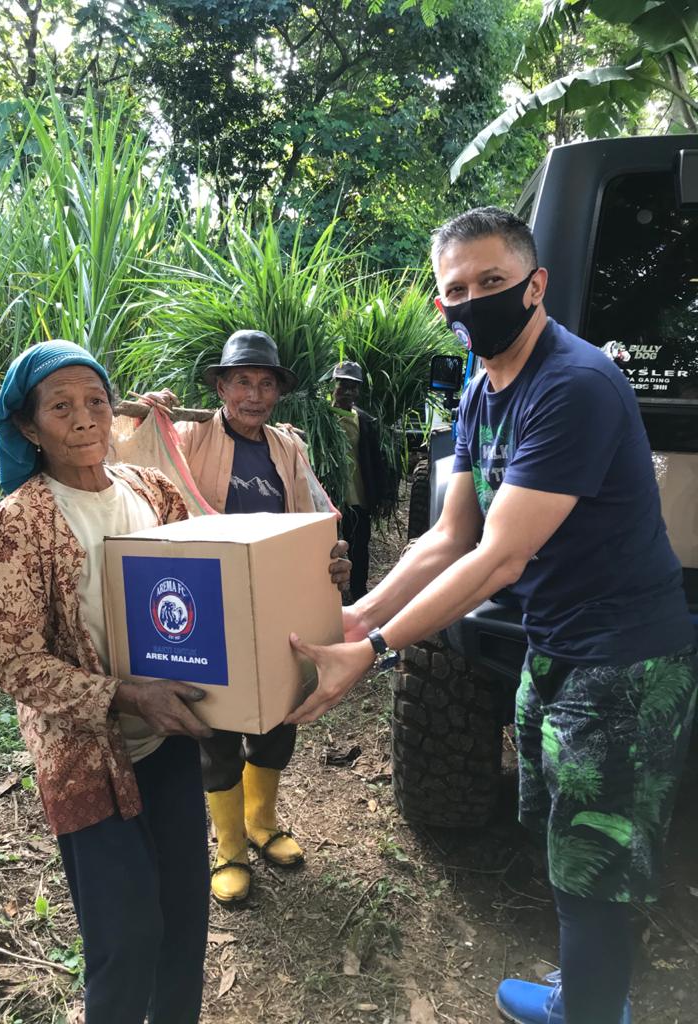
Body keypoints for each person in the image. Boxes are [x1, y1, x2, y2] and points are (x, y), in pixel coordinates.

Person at [285, 208, 697, 1024]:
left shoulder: (571, 384)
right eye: (456, 290)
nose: (472, 300)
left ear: (535, 284)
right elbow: (450, 534)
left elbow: (500, 560)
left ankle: (589, 1011)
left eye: (492, 282)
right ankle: (588, 994)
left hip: (623, 661)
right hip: (557, 645)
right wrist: (356, 611)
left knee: (592, 865)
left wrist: (371, 649)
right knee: (563, 838)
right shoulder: (482, 389)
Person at [0, 341, 214, 1024]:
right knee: (125, 938)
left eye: (95, 401)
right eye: (61, 407)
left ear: (114, 411)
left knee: (182, 918)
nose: (84, 418)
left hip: (166, 739)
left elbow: (211, 592)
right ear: (29, 428)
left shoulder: (155, 493)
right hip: (86, 755)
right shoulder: (19, 521)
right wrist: (126, 696)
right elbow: (15, 661)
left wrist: (310, 579)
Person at [142, 329, 350, 905]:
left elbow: (315, 516)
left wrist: (334, 557)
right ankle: (230, 847)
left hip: (274, 599)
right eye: (242, 381)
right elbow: (128, 466)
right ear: (221, 386)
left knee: (281, 713)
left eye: (265, 383)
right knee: (217, 726)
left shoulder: (288, 447)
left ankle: (263, 823)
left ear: (277, 392)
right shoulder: (187, 435)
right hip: (207, 601)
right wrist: (149, 420)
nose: (253, 395)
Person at [331, 361, 392, 600]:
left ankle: (358, 595)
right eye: (343, 385)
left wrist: (385, 495)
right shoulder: (319, 419)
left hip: (357, 499)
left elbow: (378, 460)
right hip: (330, 503)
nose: (348, 392)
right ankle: (330, 600)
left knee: (359, 550)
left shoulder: (365, 421)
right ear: (333, 387)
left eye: (353, 387)